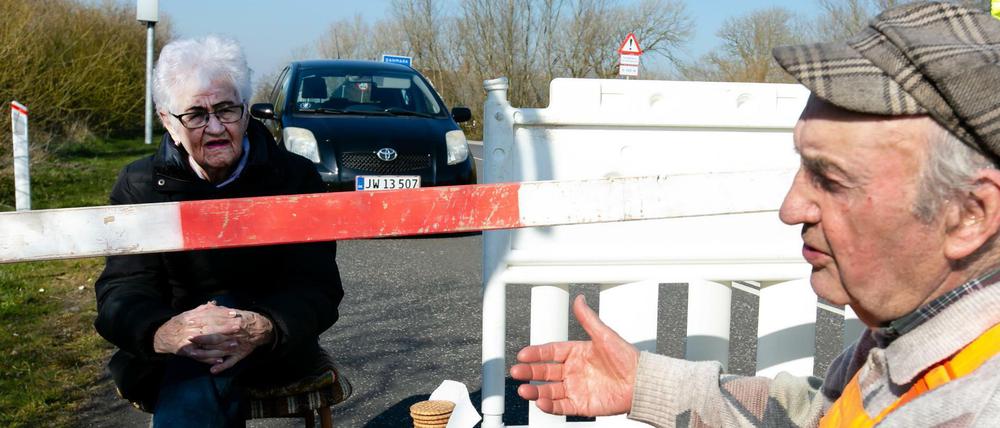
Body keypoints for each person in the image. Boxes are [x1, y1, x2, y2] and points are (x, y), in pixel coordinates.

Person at [511, 2, 1000, 426]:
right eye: (803, 166)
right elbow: (820, 415)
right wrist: (645, 383)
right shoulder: (912, 338)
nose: (791, 208)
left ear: (969, 214)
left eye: (831, 179)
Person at [93, 35, 344, 427]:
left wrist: (263, 326)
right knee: (202, 353)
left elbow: (318, 286)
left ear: (245, 110)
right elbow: (122, 291)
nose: (214, 128)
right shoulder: (139, 186)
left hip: (273, 346)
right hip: (170, 352)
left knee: (211, 347)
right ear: (167, 121)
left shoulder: (294, 178)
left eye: (226, 110)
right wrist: (165, 331)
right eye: (195, 115)